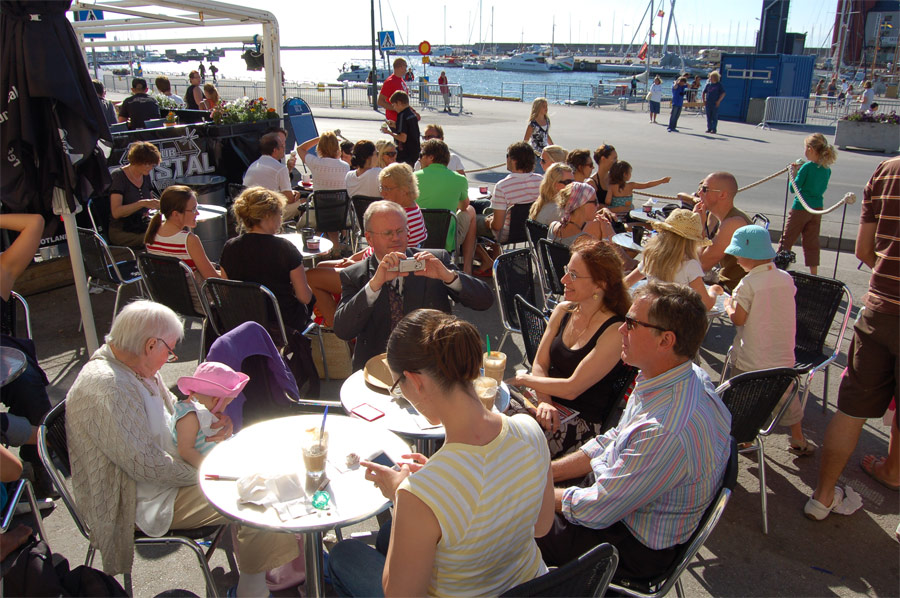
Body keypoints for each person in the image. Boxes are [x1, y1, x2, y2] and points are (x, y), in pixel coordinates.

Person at [65, 300, 299, 592]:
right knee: (255, 496)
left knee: (263, 470)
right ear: (150, 345)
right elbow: (145, 466)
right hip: (137, 500)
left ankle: (267, 575)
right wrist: (211, 473)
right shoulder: (106, 386)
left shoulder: (135, 366)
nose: (169, 358)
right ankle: (253, 590)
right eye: (170, 350)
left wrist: (209, 419)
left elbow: (175, 412)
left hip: (163, 479)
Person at [327, 308, 554, 596]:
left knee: (344, 554)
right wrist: (431, 484)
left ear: (416, 381)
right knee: (387, 537)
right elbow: (541, 526)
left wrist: (403, 496)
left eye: (398, 386)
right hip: (531, 586)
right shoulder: (530, 430)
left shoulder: (417, 495)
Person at [536, 281, 732, 582]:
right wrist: (545, 472)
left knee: (505, 516)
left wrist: (529, 488)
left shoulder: (665, 430)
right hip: (621, 503)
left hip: (629, 543)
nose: (620, 330)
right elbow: (613, 440)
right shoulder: (679, 375)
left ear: (665, 340)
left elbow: (596, 509)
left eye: (631, 324)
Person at [805, 156, 900, 520]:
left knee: (851, 409)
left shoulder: (887, 171)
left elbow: (863, 251)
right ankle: (893, 474)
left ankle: (823, 496)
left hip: (880, 312)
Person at [509, 237, 634, 457]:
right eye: (567, 270)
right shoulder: (563, 310)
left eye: (574, 275)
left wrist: (523, 379)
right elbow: (540, 363)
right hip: (546, 403)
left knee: (505, 437)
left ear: (600, 284)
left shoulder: (614, 331)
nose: (563, 279)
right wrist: (545, 401)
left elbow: (571, 388)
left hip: (580, 421)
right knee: (485, 411)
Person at [333, 201, 493, 370]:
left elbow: (485, 301)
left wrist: (448, 276)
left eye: (400, 231)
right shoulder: (356, 275)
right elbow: (343, 330)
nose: (395, 238)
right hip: (378, 368)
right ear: (369, 238)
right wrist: (373, 286)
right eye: (387, 233)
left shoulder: (433, 261)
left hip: (432, 365)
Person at [720, 225, 810, 454]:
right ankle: (798, 436)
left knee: (744, 399)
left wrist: (728, 304)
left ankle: (745, 439)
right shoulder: (786, 278)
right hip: (782, 354)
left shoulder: (747, 283)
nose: (736, 259)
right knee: (786, 396)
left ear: (750, 256)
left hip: (752, 356)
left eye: (738, 255)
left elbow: (739, 319)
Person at [0, 213, 55, 498]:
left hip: (5, 361)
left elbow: (34, 223)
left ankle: (37, 473)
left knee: (29, 386)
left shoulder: (1, 269)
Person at [220, 187, 314, 334]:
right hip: (281, 325)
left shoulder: (229, 247)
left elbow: (226, 292)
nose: (281, 219)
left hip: (241, 323)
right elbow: (304, 297)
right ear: (268, 215)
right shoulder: (285, 248)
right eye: (280, 213)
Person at [144, 185, 221, 311]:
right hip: (197, 302)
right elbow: (212, 279)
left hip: (167, 300)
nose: (197, 213)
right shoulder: (189, 240)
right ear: (176, 214)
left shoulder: (152, 233)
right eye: (194, 209)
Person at [624, 209, 719, 310]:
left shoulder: (652, 257)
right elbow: (706, 304)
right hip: (675, 315)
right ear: (692, 243)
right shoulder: (690, 265)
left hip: (651, 311)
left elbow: (626, 283)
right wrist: (714, 291)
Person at [777, 133, 838, 276]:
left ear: (810, 149)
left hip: (801, 206)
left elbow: (793, 188)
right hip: (817, 208)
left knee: (787, 239)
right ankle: (813, 274)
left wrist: (794, 172)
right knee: (811, 241)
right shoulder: (826, 169)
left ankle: (778, 269)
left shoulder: (807, 167)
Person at [415, 139, 477, 274]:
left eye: (421, 155)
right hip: (446, 240)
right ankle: (467, 268)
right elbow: (464, 206)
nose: (419, 159)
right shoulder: (459, 179)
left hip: (417, 236)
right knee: (471, 210)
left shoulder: (413, 178)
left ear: (431, 157)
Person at [172, 362, 248, 468]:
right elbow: (186, 451)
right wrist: (209, 469)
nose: (224, 409)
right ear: (216, 400)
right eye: (226, 404)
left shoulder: (203, 411)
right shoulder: (190, 416)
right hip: (209, 467)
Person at [693, 171, 751, 293]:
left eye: (705, 189)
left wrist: (698, 226)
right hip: (728, 281)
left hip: (735, 290)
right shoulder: (722, 216)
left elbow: (701, 265)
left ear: (722, 195)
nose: (699, 193)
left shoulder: (733, 223)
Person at [476, 141, 543, 244]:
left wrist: (488, 222)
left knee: (473, 220)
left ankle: (472, 253)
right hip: (531, 232)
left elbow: (497, 226)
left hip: (506, 235)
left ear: (513, 160)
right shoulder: (541, 181)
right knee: (487, 211)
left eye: (507, 156)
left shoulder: (502, 186)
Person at [109, 141, 161, 247]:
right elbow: (116, 212)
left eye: (152, 165)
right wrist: (141, 204)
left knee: (173, 231)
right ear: (136, 161)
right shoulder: (119, 176)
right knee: (158, 238)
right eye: (146, 164)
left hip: (142, 224)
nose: (149, 167)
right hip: (122, 230)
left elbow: (150, 204)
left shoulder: (145, 175)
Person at [242, 132, 303, 222]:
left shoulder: (253, 165)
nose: (284, 148)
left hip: (252, 212)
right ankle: (301, 227)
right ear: (275, 150)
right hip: (269, 213)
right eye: (282, 146)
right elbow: (289, 199)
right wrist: (295, 195)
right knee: (305, 202)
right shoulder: (280, 168)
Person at [378, 163, 427, 247]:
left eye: (387, 188)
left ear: (404, 190)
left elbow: (382, 249)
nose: (382, 193)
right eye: (381, 188)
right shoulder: (413, 208)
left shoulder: (400, 219)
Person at [605, 161, 670, 216]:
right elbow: (647, 185)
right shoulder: (631, 185)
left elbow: (607, 201)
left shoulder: (612, 187)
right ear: (625, 174)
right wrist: (661, 181)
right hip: (628, 212)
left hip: (616, 214)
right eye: (630, 172)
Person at [548, 182, 603, 247]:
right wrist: (607, 235)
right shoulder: (584, 240)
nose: (598, 205)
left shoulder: (553, 226)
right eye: (595, 202)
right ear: (581, 204)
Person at [382, 91, 420, 167]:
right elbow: (408, 129)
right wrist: (396, 125)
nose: (394, 108)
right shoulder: (411, 114)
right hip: (415, 150)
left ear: (399, 103)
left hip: (405, 153)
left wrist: (389, 132)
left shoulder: (402, 115)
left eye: (394, 105)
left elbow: (403, 138)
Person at [378, 57, 416, 125]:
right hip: (395, 120)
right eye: (405, 66)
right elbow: (380, 101)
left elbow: (403, 102)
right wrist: (396, 108)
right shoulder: (390, 82)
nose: (406, 69)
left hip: (404, 119)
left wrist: (412, 111)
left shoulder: (401, 81)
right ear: (401, 67)